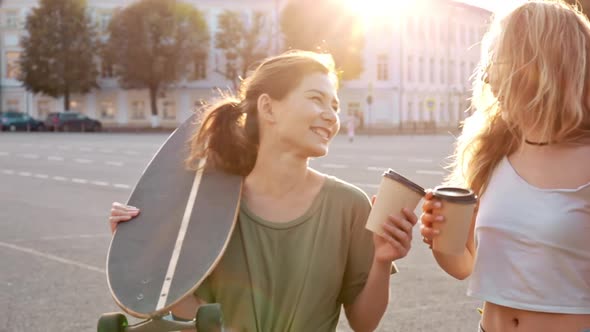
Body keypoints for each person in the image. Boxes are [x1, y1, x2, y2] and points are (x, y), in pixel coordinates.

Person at [109, 50, 418, 332]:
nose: (331, 115)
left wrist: (381, 260)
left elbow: (364, 323)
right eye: (317, 99)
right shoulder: (210, 204)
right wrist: (141, 249)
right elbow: (197, 316)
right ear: (268, 107)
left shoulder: (350, 205)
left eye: (334, 105)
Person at [419, 1, 590, 331]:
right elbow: (465, 264)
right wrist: (440, 241)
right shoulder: (491, 150)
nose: (487, 77)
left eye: (498, 61)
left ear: (540, 65)